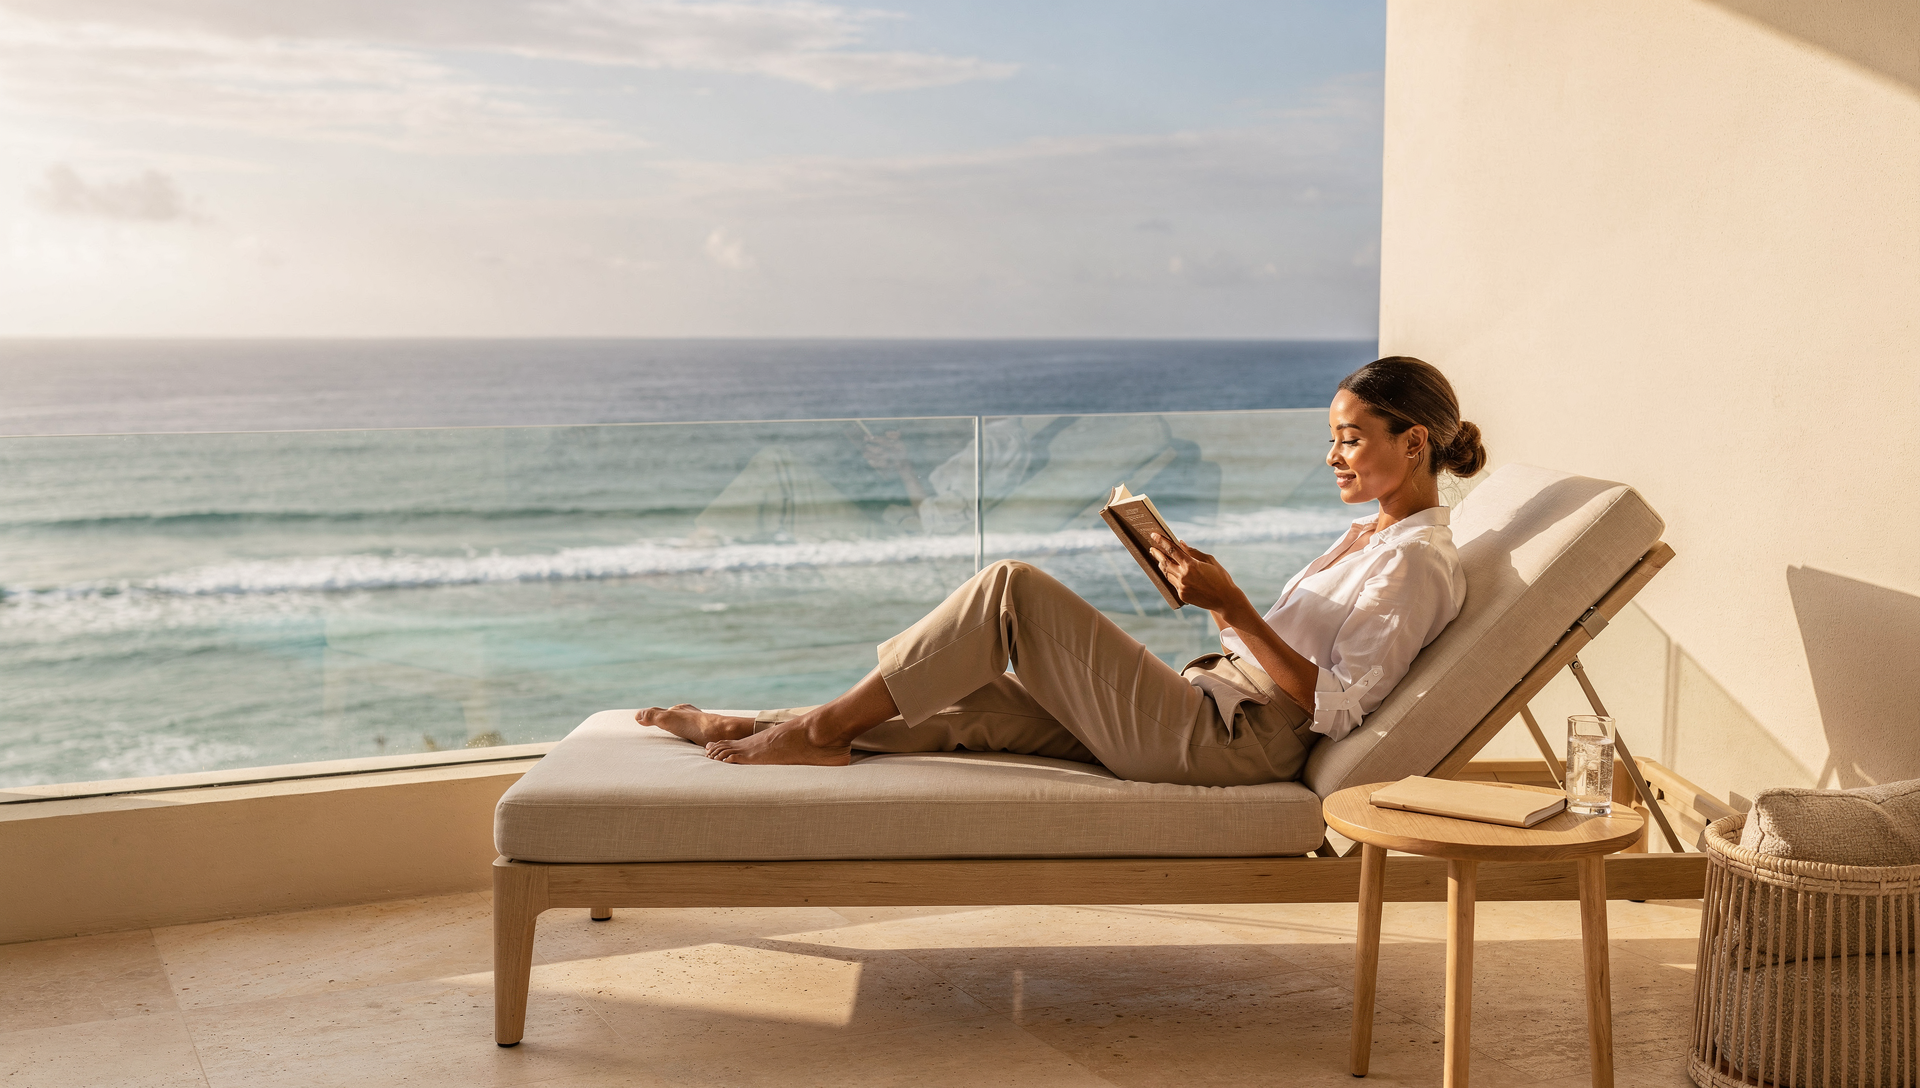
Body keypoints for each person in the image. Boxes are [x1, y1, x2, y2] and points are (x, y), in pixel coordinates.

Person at [640, 357, 1487, 787]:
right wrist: (1207, 596)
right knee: (976, 698)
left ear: (1413, 443)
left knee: (1010, 590)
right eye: (1333, 435)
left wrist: (1235, 608)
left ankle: (817, 735)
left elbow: (1339, 708)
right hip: (1205, 704)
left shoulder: (1417, 563)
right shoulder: (1371, 540)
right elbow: (1287, 659)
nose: (1332, 453)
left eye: (1350, 436)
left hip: (1230, 743)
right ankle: (746, 725)